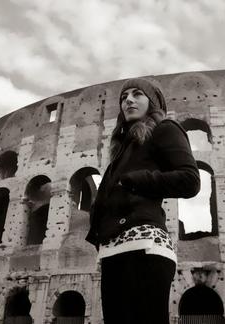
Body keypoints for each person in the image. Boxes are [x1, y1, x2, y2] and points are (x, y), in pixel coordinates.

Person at [85, 77, 200, 324]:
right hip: (112, 250)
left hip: (144, 246)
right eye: (124, 97)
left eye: (137, 94)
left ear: (153, 102)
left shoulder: (165, 129)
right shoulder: (123, 148)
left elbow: (190, 180)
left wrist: (135, 179)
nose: (128, 100)